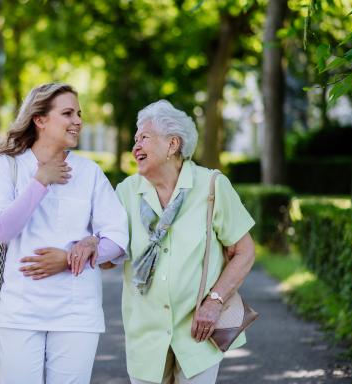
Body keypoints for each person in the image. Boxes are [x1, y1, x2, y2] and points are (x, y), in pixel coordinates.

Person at [96, 100, 256, 384]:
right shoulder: (126, 192)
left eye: (144, 137)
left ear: (172, 144)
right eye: (135, 139)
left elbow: (244, 251)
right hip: (145, 334)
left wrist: (215, 302)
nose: (135, 146)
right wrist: (90, 245)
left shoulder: (212, 186)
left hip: (198, 331)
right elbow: (108, 258)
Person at [0, 83, 129, 384]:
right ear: (40, 120)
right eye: (67, 113)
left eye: (79, 114)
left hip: (76, 313)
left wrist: (73, 255)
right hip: (20, 312)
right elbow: (0, 230)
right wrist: (40, 181)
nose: (77, 121)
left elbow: (117, 237)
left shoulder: (89, 172)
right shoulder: (5, 168)